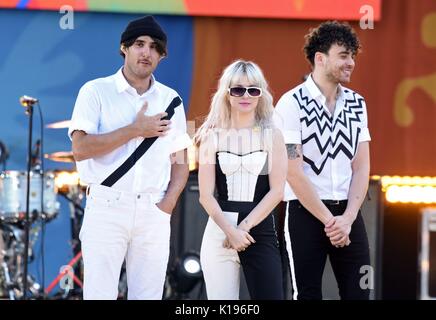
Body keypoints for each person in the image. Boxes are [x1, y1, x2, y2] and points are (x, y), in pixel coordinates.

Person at [68, 15, 191, 300]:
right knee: (99, 294)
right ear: (124, 47)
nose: (146, 52)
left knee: (148, 296)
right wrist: (135, 130)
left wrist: (167, 205)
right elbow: (81, 148)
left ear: (162, 56)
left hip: (153, 209)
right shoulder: (95, 91)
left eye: (154, 47)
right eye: (139, 44)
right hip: (107, 203)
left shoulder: (172, 100)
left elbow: (182, 160)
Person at [274, 21, 371, 300]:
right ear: (320, 58)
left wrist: (348, 218)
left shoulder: (357, 103)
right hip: (305, 214)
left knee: (360, 292)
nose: (351, 62)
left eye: (353, 55)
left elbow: (362, 164)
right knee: (306, 294)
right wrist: (332, 222)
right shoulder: (291, 103)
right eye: (343, 55)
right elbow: (293, 170)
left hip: (348, 214)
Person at [195, 60, 287, 300]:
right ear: (227, 94)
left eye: (252, 89)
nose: (245, 95)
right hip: (219, 234)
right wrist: (229, 231)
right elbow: (205, 195)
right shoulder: (209, 136)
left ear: (261, 94)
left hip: (259, 230)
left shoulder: (274, 135)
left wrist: (242, 230)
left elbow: (277, 191)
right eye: (237, 89)